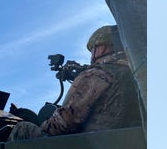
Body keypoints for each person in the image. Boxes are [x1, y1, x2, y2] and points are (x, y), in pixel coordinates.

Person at [8, 25, 141, 141]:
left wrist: (42, 126)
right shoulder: (136, 75)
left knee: (22, 128)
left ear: (101, 48)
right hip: (120, 146)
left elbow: (64, 123)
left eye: (93, 49)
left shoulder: (97, 74)